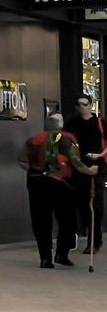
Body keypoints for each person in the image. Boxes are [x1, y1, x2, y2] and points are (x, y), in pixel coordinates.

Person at [21, 110, 93, 267]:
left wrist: (36, 171)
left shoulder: (34, 139)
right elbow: (76, 161)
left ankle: (45, 258)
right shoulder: (68, 138)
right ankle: (62, 254)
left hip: (37, 181)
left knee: (41, 221)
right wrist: (90, 170)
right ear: (60, 124)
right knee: (67, 220)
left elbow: (22, 160)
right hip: (61, 182)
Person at [63, 94, 106, 254]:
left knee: (94, 204)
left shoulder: (100, 123)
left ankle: (94, 241)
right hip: (76, 167)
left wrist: (99, 158)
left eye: (85, 104)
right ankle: (81, 235)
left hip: (96, 167)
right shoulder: (71, 124)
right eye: (79, 104)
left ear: (91, 105)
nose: (82, 107)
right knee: (80, 204)